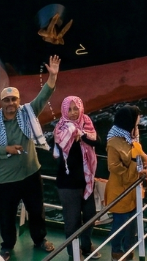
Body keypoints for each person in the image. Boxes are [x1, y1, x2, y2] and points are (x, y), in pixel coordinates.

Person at [0, 56, 59, 258]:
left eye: (14, 99)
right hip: (7, 180)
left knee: (36, 210)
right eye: (6, 100)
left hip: (31, 173)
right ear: (1, 102)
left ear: (19, 100)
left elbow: (43, 97)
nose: (10, 103)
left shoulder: (28, 113)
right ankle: (7, 246)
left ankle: (40, 239)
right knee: (6, 215)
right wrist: (5, 149)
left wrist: (53, 76)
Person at [106, 106, 147, 258]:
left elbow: (138, 151)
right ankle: (116, 250)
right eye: (135, 122)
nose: (137, 125)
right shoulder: (113, 144)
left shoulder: (131, 137)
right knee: (121, 223)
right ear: (128, 123)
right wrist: (135, 163)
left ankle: (129, 248)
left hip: (134, 190)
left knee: (133, 224)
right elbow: (115, 168)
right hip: (121, 191)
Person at [53, 96, 99, 260]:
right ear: (64, 111)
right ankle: (74, 254)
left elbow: (97, 142)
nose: (73, 113)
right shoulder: (60, 129)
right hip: (68, 185)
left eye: (75, 108)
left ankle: (86, 247)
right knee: (72, 222)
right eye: (69, 109)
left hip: (87, 182)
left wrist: (81, 134)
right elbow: (63, 151)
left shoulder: (86, 123)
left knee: (90, 216)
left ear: (81, 108)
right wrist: (73, 135)